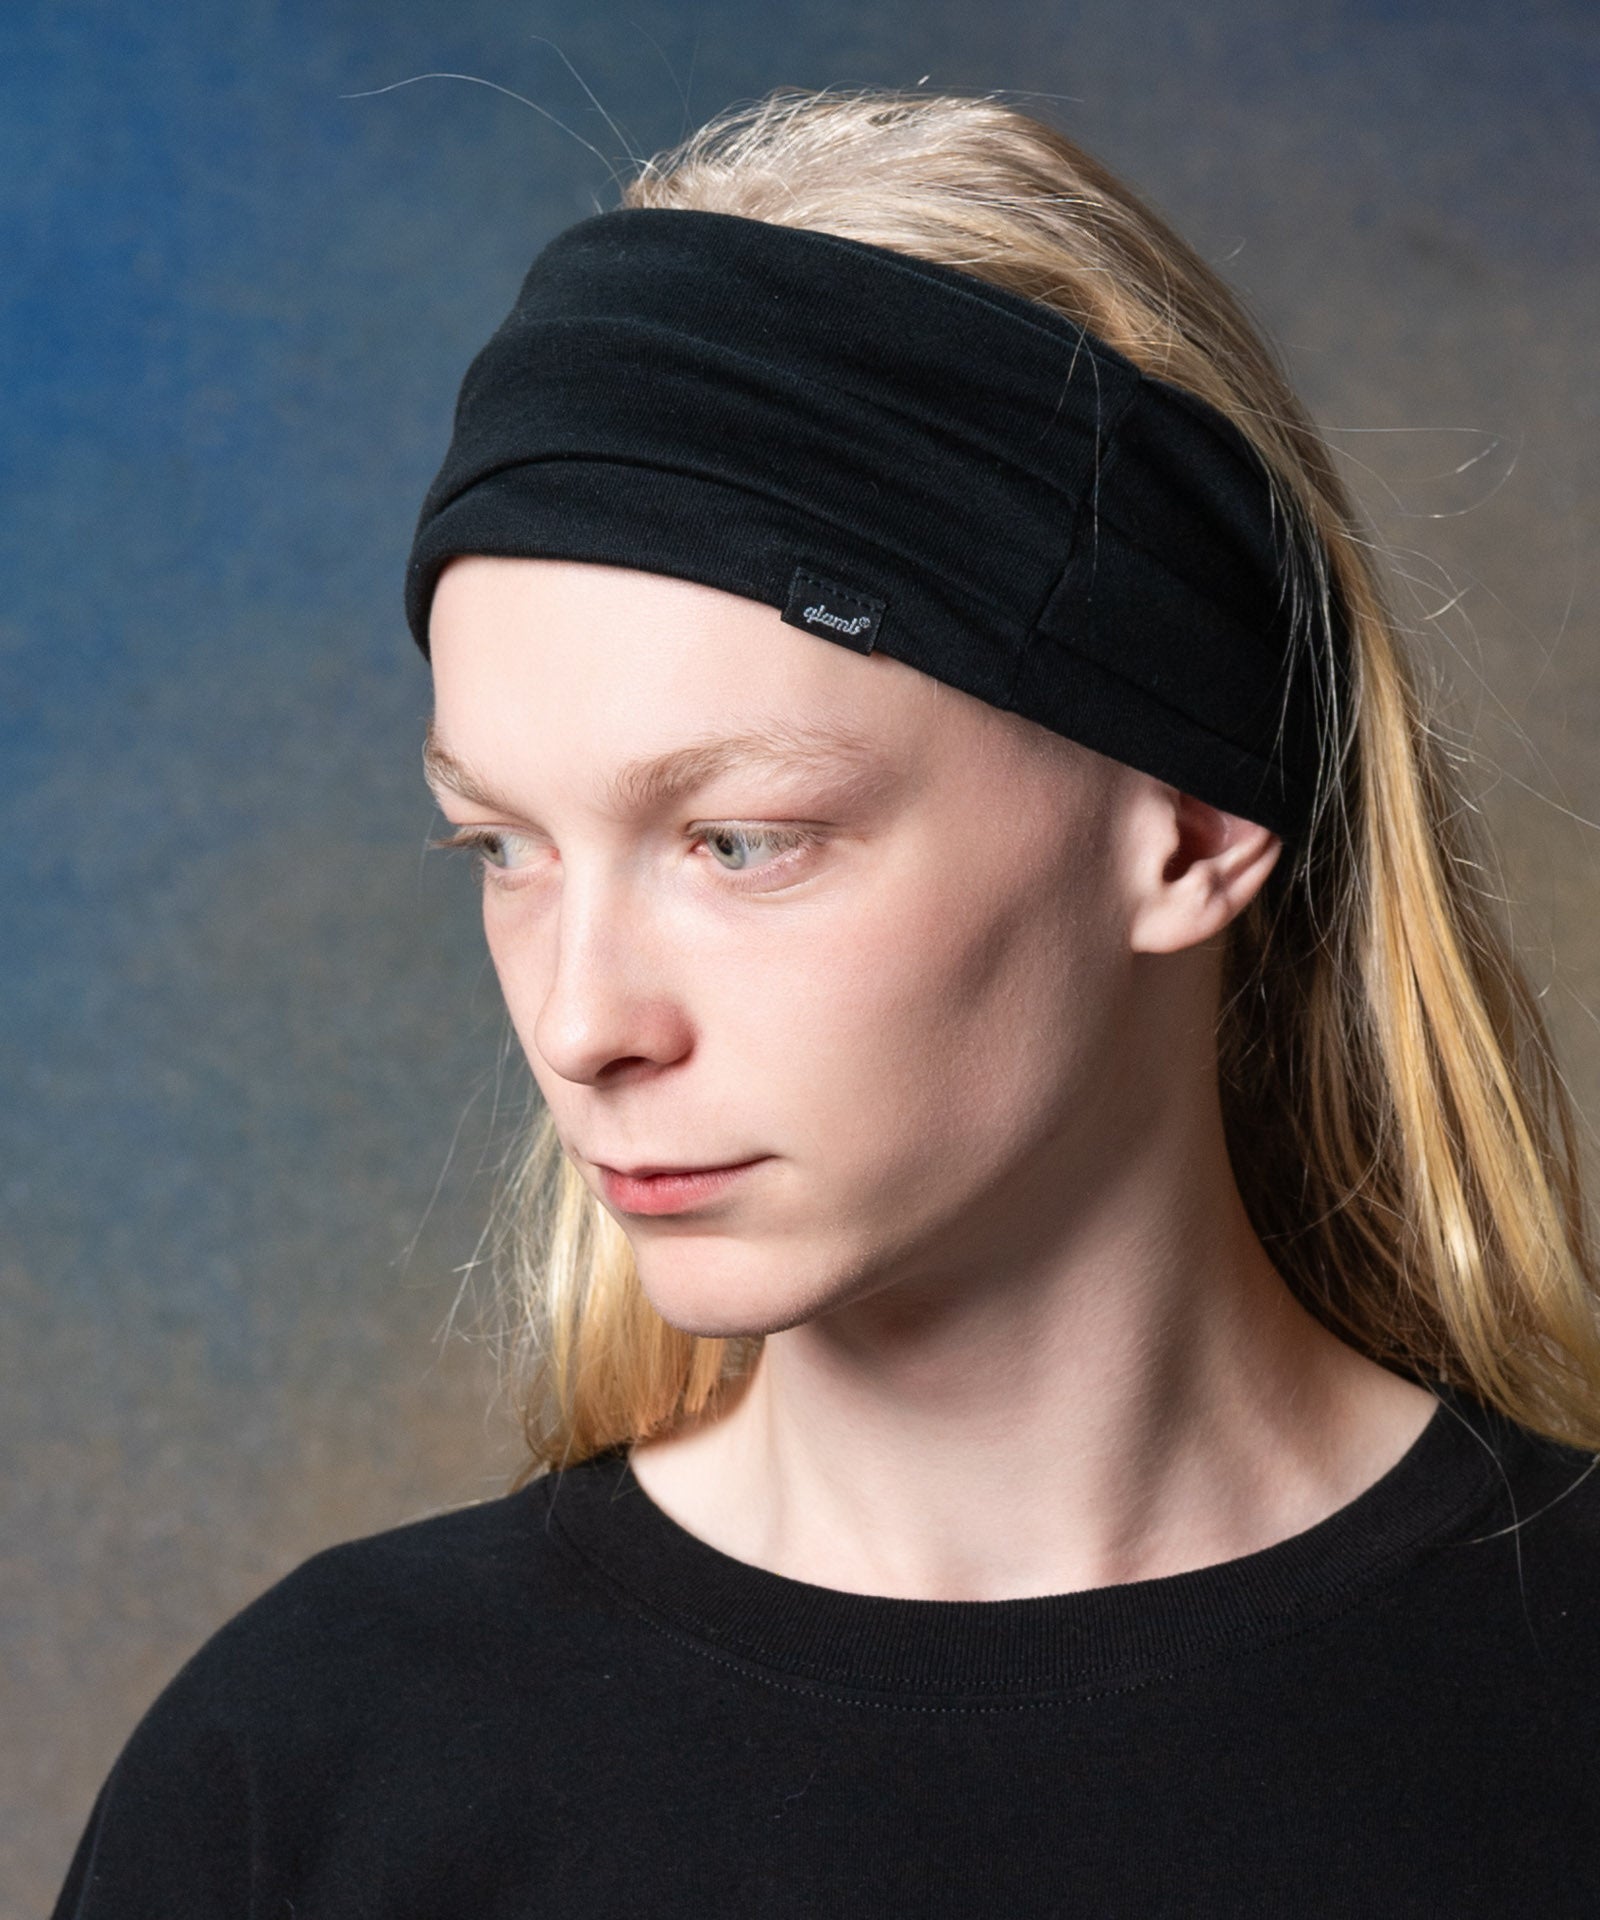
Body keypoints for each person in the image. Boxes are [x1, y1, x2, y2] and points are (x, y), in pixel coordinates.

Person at [52, 85, 1600, 1917]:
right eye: (503, 846)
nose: (581, 1026)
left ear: (1188, 828)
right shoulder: (302, 1776)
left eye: (742, 840)